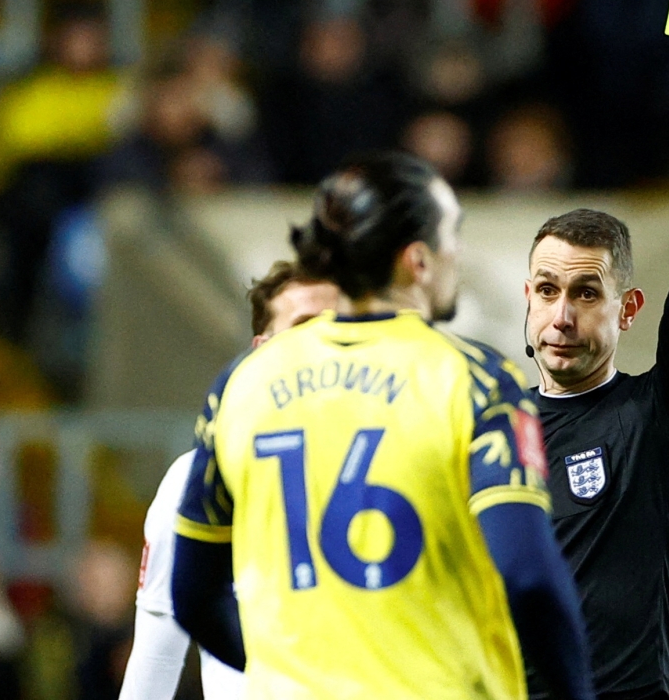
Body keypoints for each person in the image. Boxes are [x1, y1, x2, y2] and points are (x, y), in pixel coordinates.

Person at [171, 152, 595, 700]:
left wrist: (291, 674)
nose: (456, 255)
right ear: (417, 260)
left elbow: (192, 595)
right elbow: (529, 576)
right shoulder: (478, 382)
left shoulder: (240, 385)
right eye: (452, 236)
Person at [522, 33, 669, 700]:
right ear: (527, 297)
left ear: (627, 310)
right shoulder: (487, 428)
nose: (562, 314)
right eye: (546, 289)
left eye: (586, 292)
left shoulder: (657, 417)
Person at [119, 262, 338, 700]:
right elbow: (158, 654)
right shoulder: (194, 480)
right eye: (302, 327)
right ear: (259, 351)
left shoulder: (406, 464)